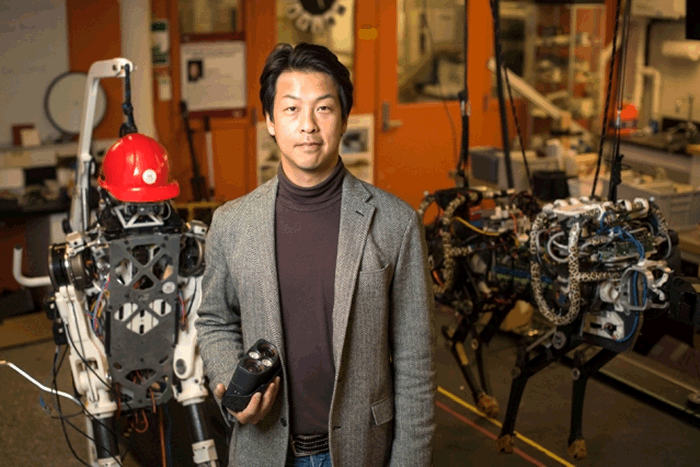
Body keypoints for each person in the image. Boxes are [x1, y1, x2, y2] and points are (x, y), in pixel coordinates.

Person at [195, 42, 436, 467]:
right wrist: (231, 384)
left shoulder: (395, 223)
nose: (307, 125)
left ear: (343, 119)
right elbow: (215, 319)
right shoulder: (231, 223)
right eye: (291, 109)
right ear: (270, 121)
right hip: (263, 449)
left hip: (361, 451)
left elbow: (416, 361)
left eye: (323, 108)